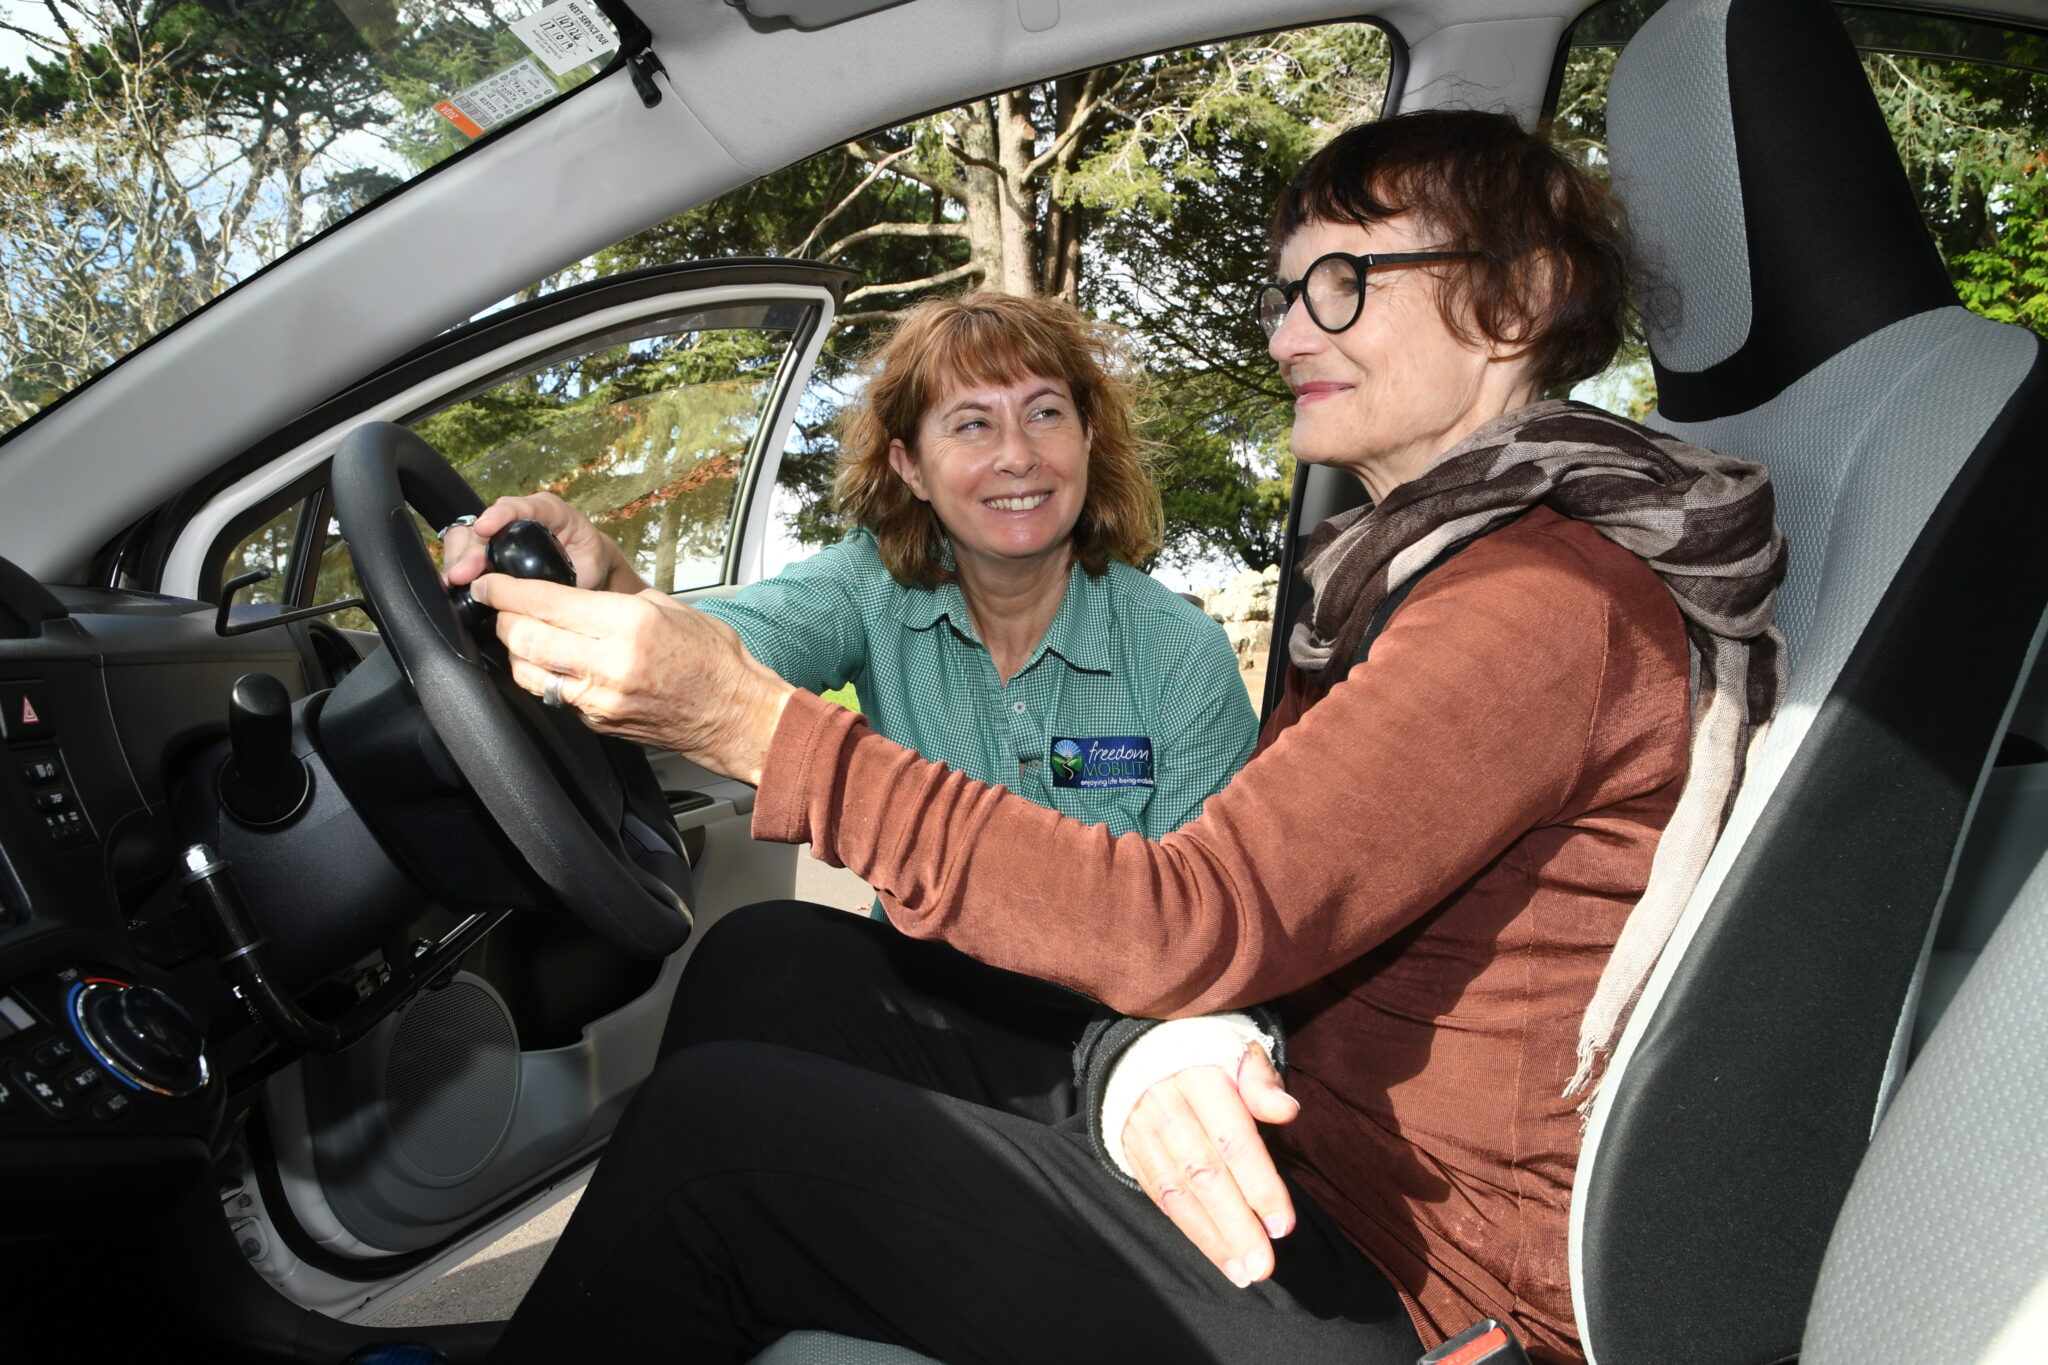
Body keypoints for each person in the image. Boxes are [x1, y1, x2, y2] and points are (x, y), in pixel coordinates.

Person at [481, 110, 1785, 1365]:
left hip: (1415, 1287)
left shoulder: (1534, 606)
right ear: (914, 467)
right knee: (771, 958)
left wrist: (756, 731)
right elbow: (1245, 911)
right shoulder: (1424, 583)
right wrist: (619, 607)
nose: (1288, 336)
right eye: (1285, 295)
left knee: (717, 1143)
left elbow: (1192, 918)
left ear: (1517, 299)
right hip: (1296, 1142)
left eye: (1340, 282)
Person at [443, 292, 1258, 878]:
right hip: (923, 986)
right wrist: (610, 581)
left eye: (1046, 413)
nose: (1018, 454)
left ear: (1087, 436)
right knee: (747, 973)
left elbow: (1200, 918)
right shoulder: (871, 584)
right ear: (910, 466)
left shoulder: (1181, 655)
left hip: (1107, 1030)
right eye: (972, 423)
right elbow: (733, 645)